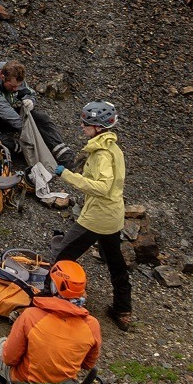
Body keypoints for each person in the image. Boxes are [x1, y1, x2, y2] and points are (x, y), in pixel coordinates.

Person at [50, 101, 131, 329]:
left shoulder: (102, 154)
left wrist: (67, 176)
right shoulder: (113, 148)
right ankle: (123, 310)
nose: (82, 125)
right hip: (114, 216)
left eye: (86, 122)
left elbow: (102, 187)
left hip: (96, 217)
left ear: (99, 127)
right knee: (116, 263)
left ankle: (54, 302)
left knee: (61, 257)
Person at [0, 257, 102, 384]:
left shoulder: (31, 316)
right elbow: (88, 364)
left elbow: (9, 358)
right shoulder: (92, 325)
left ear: (53, 286)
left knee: (0, 345)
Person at [0, 59, 67, 163]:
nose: (15, 89)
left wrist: (31, 101)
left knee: (41, 118)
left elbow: (29, 93)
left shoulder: (16, 76)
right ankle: (22, 152)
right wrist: (27, 129)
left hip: (3, 117)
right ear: (2, 77)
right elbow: (3, 109)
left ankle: (62, 152)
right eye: (12, 86)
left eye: (17, 86)